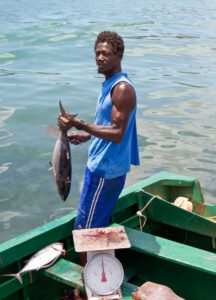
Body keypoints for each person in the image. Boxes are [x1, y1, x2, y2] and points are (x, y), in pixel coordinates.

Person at [58, 31, 140, 230]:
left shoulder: (122, 89)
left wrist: (80, 124)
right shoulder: (109, 85)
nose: (99, 58)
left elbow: (118, 133)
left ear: (119, 56)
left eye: (106, 53)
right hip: (99, 166)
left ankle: (91, 262)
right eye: (97, 54)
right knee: (90, 223)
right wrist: (87, 136)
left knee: (86, 230)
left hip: (107, 171)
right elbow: (111, 125)